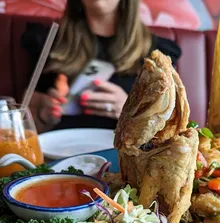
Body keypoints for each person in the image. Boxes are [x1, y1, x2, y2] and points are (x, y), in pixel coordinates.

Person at [22, 0, 181, 133]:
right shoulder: (48, 41)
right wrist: (44, 116)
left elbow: (168, 128)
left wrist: (130, 113)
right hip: (60, 155)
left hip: (124, 158)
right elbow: (25, 126)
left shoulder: (158, 52)